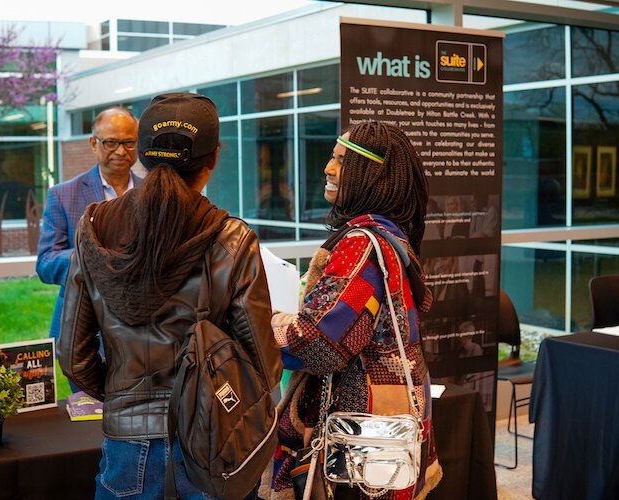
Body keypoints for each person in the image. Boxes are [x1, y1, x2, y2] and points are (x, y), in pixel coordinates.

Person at [56, 93, 282, 499]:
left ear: (141, 155)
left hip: (126, 446)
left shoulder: (94, 228)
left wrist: (123, 399)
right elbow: (264, 365)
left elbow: (73, 354)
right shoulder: (231, 238)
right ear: (213, 158)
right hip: (213, 444)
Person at [263, 121, 442, 499]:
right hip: (387, 425)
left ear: (371, 175)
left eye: (342, 161)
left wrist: (262, 323)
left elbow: (318, 346)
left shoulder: (360, 245)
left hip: (358, 435)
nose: (328, 168)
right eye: (332, 156)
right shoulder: (391, 235)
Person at [36, 107, 142, 345]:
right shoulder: (64, 195)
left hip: (143, 329)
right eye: (111, 143)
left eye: (129, 142)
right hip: (83, 328)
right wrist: (90, 259)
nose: (121, 151)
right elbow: (45, 263)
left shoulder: (154, 194)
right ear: (93, 143)